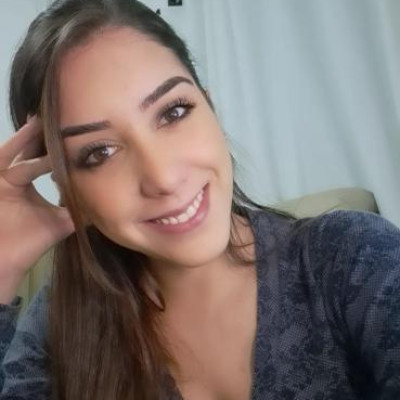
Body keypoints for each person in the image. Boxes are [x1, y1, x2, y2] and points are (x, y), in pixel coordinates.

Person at [0, 0, 399, 399]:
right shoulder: (58, 325)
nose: (163, 178)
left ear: (210, 108)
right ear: (65, 185)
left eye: (173, 112)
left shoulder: (352, 258)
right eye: (99, 153)